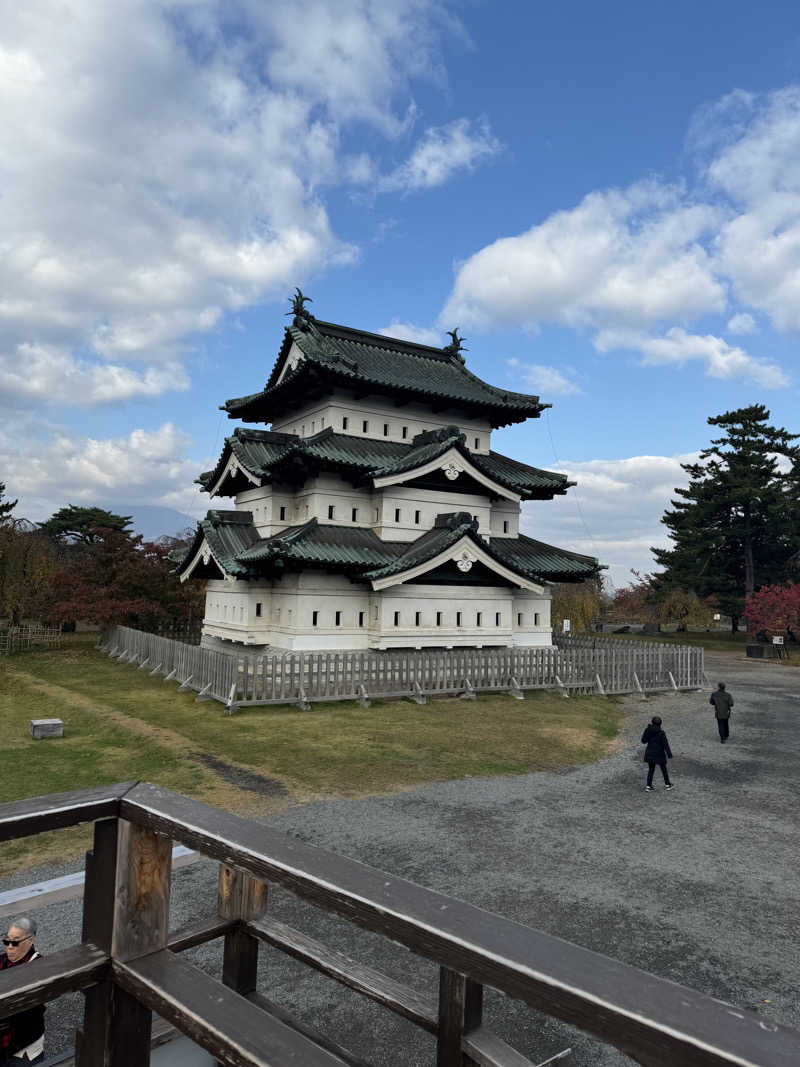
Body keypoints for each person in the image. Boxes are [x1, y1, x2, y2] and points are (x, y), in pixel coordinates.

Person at [0, 917, 44, 1064]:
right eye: (7, 941)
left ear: (30, 941)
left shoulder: (40, 967)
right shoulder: (3, 960)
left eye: (15, 942)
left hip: (23, 1043)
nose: (10, 947)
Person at [641, 715, 673, 791]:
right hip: (659, 753)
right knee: (663, 769)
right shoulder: (661, 733)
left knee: (651, 770)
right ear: (660, 724)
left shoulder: (648, 730)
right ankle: (667, 784)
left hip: (650, 752)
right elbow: (666, 744)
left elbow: (643, 741)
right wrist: (669, 754)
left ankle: (648, 786)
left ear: (652, 722)